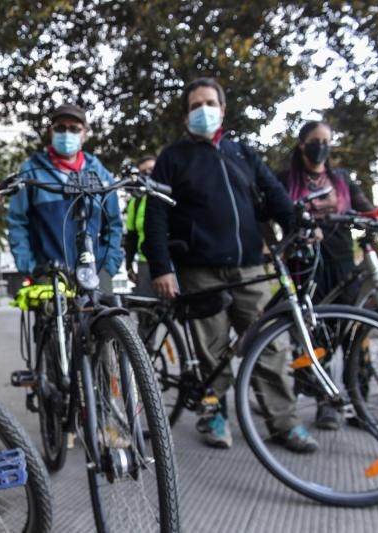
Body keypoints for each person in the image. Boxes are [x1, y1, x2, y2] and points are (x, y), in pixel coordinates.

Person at [143, 77, 318, 452]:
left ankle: (283, 423)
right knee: (213, 352)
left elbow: (275, 195)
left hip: (250, 268)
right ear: (186, 115)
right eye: (194, 105)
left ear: (222, 109)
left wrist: (298, 226)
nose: (202, 110)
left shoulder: (243, 154)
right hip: (199, 270)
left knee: (269, 349)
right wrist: (161, 267)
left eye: (209, 103)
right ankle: (214, 414)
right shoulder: (172, 158)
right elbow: (155, 215)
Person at [280, 120, 374, 430]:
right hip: (306, 266)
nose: (321, 145)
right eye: (315, 140)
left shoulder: (342, 179)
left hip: (343, 263)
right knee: (317, 335)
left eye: (326, 140)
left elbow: (364, 210)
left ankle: (360, 401)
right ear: (302, 144)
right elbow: (274, 214)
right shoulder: (287, 180)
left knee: (353, 335)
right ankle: (326, 402)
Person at [7, 104, 123, 288]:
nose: (67, 133)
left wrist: (108, 266)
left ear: (84, 133)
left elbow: (114, 224)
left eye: (74, 129)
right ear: (51, 132)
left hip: (95, 273)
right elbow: (17, 223)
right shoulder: (31, 171)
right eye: (60, 128)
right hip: (48, 273)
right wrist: (30, 267)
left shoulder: (101, 174)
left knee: (106, 314)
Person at [124, 155, 157, 296]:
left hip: (173, 261)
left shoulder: (170, 196)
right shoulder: (135, 202)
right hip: (145, 264)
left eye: (152, 169)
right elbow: (131, 236)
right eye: (143, 172)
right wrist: (129, 264)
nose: (148, 174)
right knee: (147, 310)